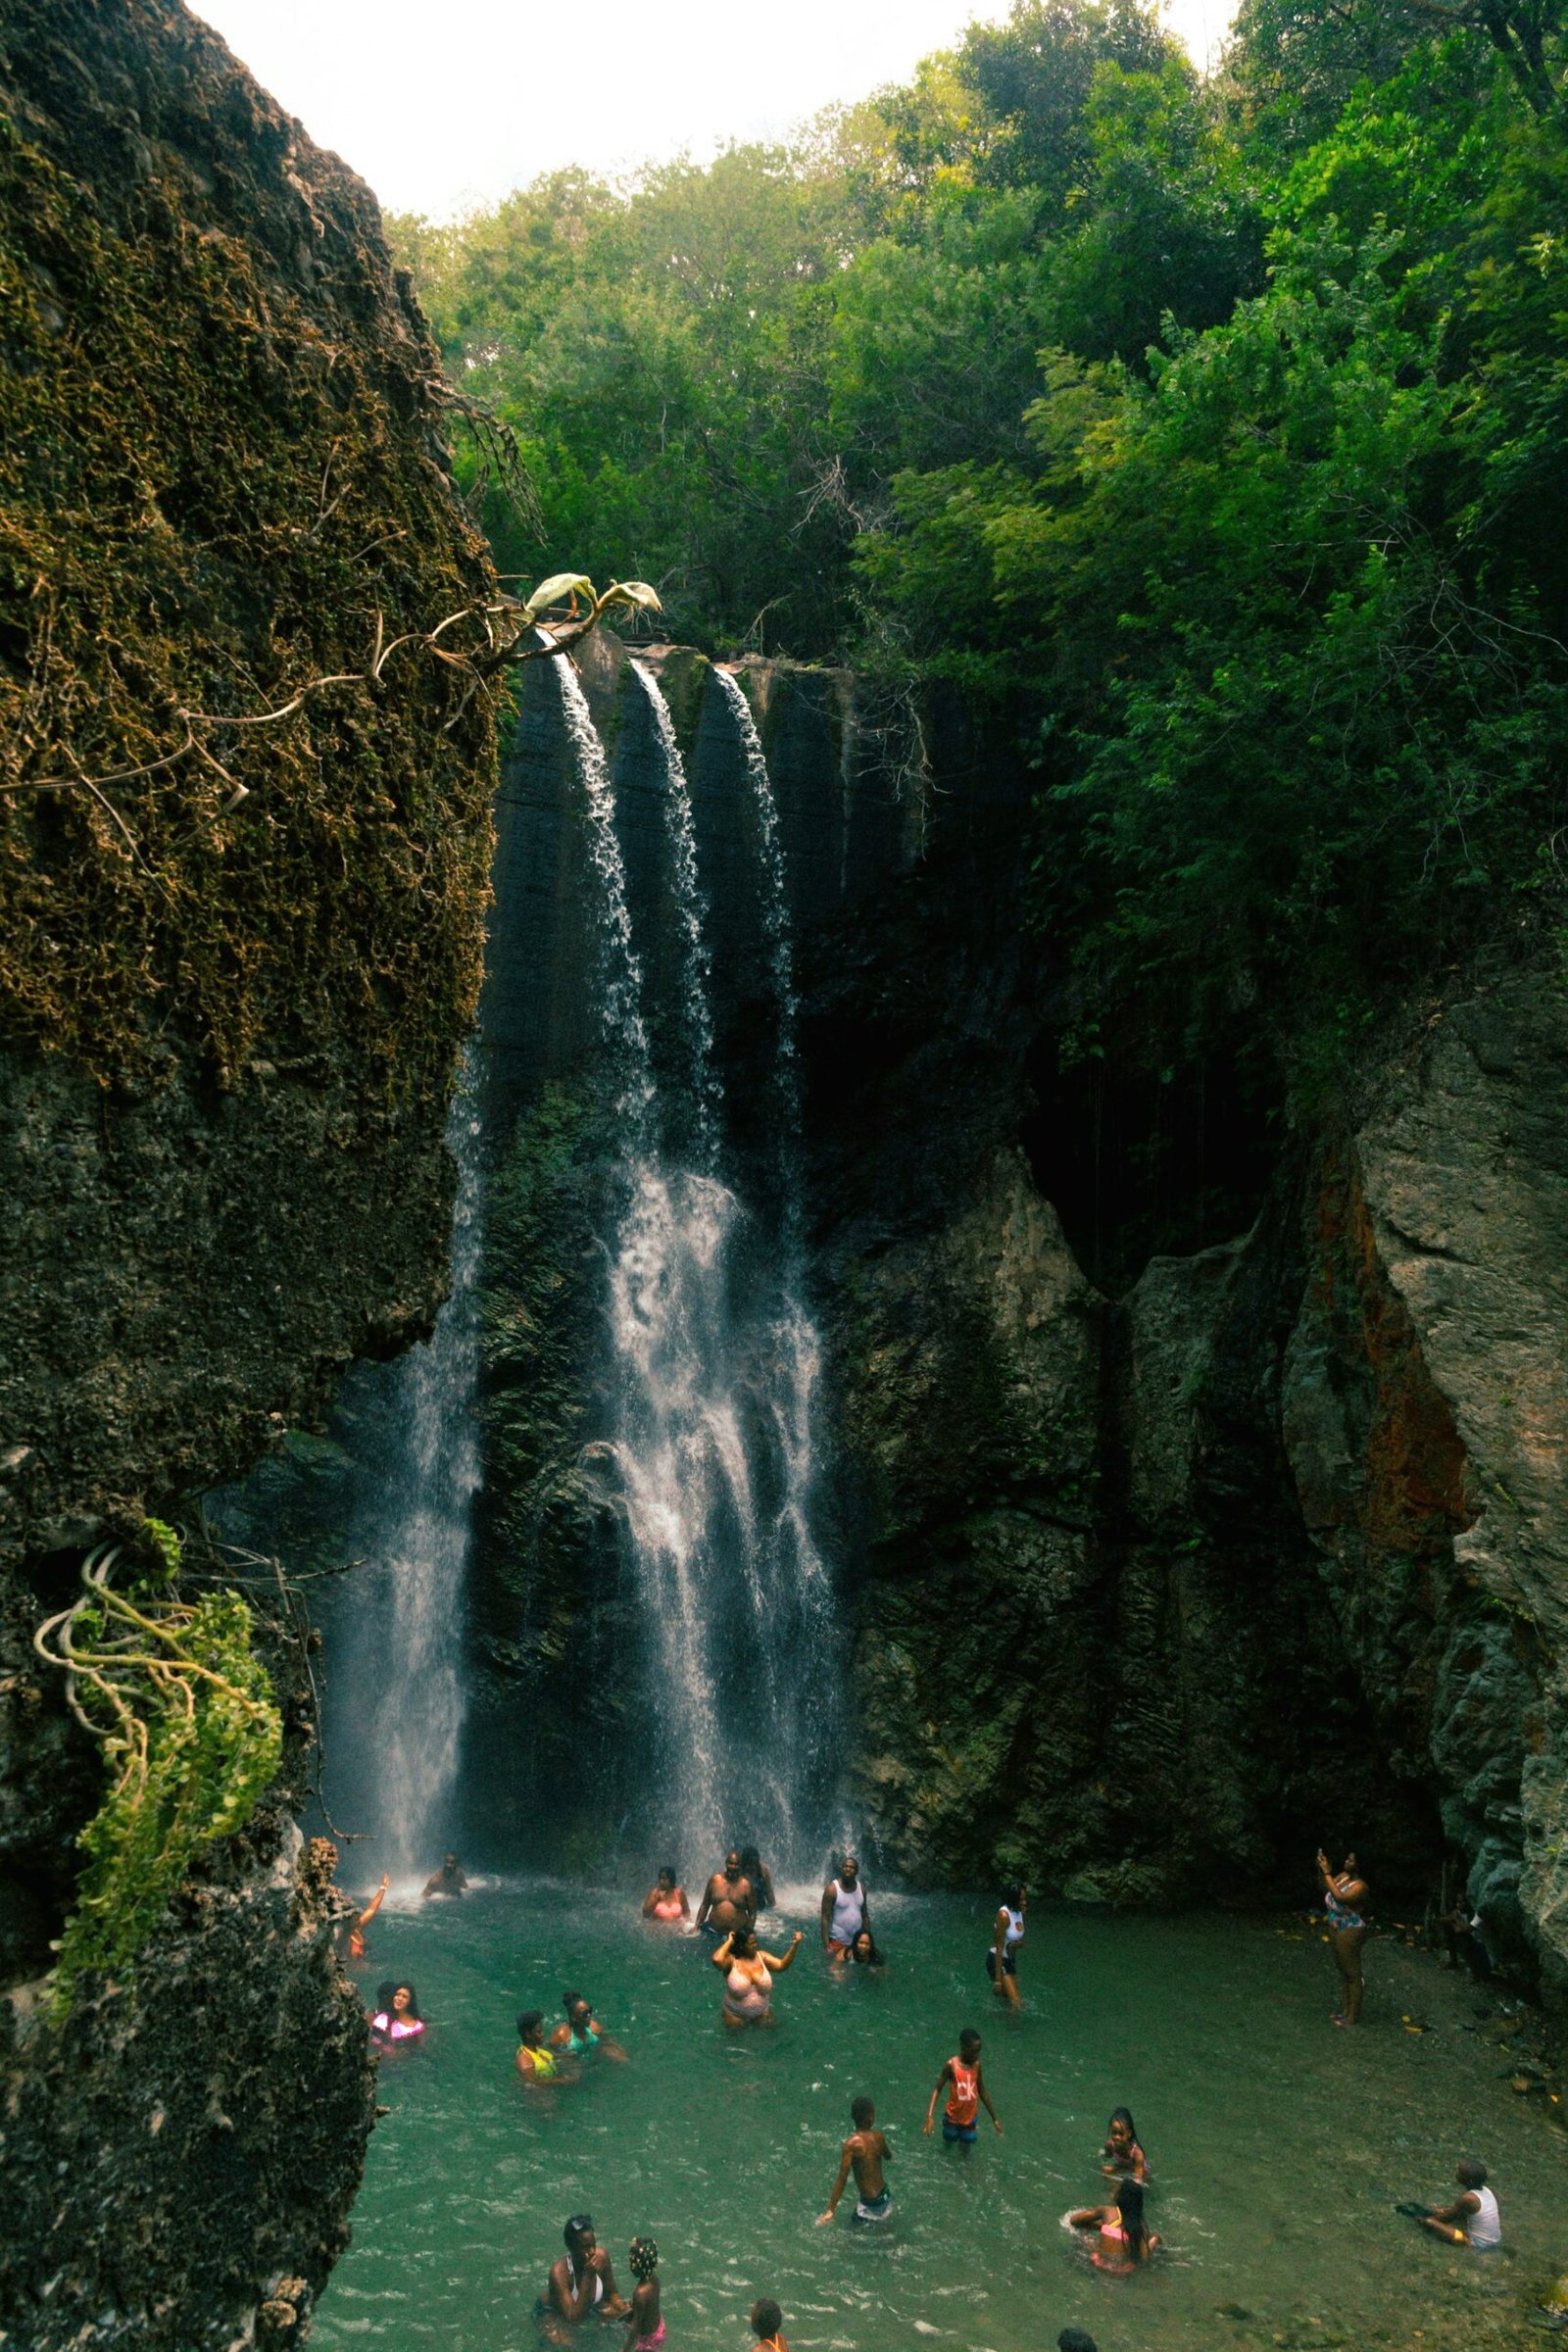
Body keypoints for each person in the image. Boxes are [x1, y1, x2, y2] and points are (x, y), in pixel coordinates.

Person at [543, 2214, 628, 2340]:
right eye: (585, 2247)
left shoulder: (602, 2257)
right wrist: (588, 2276)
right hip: (554, 2313)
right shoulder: (559, 2273)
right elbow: (573, 2319)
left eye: (593, 2244)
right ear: (571, 2247)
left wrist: (623, 2310)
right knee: (562, 2343)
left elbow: (612, 2294)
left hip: (590, 2310)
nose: (592, 2251)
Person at [816, 2093, 893, 2225]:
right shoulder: (879, 2137)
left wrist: (831, 2209)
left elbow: (842, 2178)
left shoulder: (851, 2145)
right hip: (884, 2197)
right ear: (871, 2118)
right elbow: (888, 2156)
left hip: (869, 2204)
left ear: (852, 2117)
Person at [1316, 1847, 1369, 2025]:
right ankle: (1345, 2011)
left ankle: (1353, 2016)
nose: (1347, 1862)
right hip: (1336, 1927)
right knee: (1343, 1971)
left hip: (1350, 1929)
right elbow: (1326, 1887)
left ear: (1360, 1865)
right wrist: (1322, 1869)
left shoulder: (1360, 1886)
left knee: (1353, 1973)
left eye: (1351, 1860)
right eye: (1347, 1859)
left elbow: (1340, 1897)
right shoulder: (1343, 1876)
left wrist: (1327, 1872)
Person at [713, 1923, 804, 2025]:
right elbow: (716, 1960)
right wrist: (729, 1941)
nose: (755, 1945)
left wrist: (794, 1945)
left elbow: (782, 1966)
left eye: (755, 1942)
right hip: (734, 2015)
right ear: (742, 1946)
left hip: (762, 2012)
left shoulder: (762, 1957)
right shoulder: (731, 1961)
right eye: (751, 1943)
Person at [924, 2028, 1002, 2143]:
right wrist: (929, 2116)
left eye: (978, 2051)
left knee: (968, 2143)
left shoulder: (977, 2065)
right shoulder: (951, 2065)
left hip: (969, 2120)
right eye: (974, 2051)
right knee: (949, 2141)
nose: (976, 2055)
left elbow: (982, 2091)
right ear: (963, 2048)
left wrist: (995, 2119)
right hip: (952, 2118)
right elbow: (938, 2088)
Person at [1068, 2177, 1159, 2272]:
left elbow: (1074, 2220)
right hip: (1124, 2271)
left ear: (1120, 2196)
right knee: (1156, 2237)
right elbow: (1144, 2258)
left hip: (1099, 2264)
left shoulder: (1107, 2211)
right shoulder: (1140, 2225)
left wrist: (1101, 2227)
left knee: (1085, 2237)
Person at [1417, 2158, 1502, 2247]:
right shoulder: (1487, 2191)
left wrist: (1425, 2220)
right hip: (1496, 2240)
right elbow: (1459, 2211)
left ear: (1467, 2179)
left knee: (1430, 2222)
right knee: (1453, 2213)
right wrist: (1442, 2210)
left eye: (1459, 2171)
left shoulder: (1468, 2198)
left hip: (1479, 2244)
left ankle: (1465, 2241)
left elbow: (1448, 2218)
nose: (1456, 2172)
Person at [551, 1989, 628, 2062]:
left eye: (589, 2011)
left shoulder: (594, 2027)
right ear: (573, 2017)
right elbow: (552, 2056)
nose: (589, 2015)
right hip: (574, 2061)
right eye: (585, 2014)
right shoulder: (561, 2035)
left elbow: (608, 2041)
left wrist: (620, 2052)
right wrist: (565, 2056)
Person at [695, 1851, 756, 1936]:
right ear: (726, 1863)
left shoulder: (746, 1885)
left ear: (740, 1866)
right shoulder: (715, 1881)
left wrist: (748, 1933)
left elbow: (752, 1913)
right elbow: (705, 1905)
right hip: (712, 1932)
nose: (733, 1867)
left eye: (736, 1864)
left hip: (737, 1935)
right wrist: (696, 1927)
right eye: (731, 1863)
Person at [821, 1854, 870, 1958]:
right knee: (838, 1972)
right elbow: (825, 1918)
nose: (848, 1869)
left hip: (858, 1944)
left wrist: (868, 1940)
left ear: (856, 1871)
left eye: (851, 1867)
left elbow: (865, 1916)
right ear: (841, 1868)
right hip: (837, 1942)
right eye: (845, 1866)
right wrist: (827, 1946)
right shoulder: (832, 1890)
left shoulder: (861, 1888)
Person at [988, 1883, 1026, 2005]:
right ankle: (1012, 2023)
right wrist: (998, 1980)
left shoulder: (1020, 1912)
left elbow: (1018, 1940)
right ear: (1013, 1900)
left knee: (1009, 2001)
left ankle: (999, 2021)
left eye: (1025, 1899)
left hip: (1009, 1960)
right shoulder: (1003, 1915)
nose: (1024, 1902)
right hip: (997, 1960)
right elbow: (999, 1947)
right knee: (1016, 2002)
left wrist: (1018, 1944)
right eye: (1021, 1900)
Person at [623, 2236, 663, 2350]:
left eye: (631, 2261)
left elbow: (635, 2327)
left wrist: (625, 2349)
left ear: (636, 2265)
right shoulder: (654, 2278)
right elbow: (650, 2304)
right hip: (659, 2328)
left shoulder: (639, 2293)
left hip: (648, 2340)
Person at [346, 1872, 389, 1961]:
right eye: (355, 1917)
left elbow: (372, 1909)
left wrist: (383, 1887)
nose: (358, 1919)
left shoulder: (357, 1928)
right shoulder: (343, 1936)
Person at [517, 2008, 566, 2083]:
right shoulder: (525, 2060)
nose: (542, 2035)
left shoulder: (538, 2050)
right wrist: (561, 2081)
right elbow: (532, 2084)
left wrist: (567, 2055)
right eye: (539, 2032)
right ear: (528, 2034)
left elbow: (552, 2057)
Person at [369, 1980, 424, 2045]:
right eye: (397, 1994)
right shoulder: (381, 2021)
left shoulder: (418, 2025)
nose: (399, 1998)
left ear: (410, 2001)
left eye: (404, 1996)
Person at [1101, 2107, 1148, 2181]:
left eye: (1121, 2134)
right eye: (1114, 2133)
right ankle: (1113, 2187)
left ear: (1129, 2133)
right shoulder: (1110, 2145)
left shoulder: (1137, 2154)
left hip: (1139, 2172)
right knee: (1105, 2170)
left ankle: (1115, 2191)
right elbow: (1106, 2159)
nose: (1117, 2137)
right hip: (1122, 2167)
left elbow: (1138, 2178)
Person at [738, 1844, 776, 1911]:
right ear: (744, 1863)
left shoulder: (763, 1871)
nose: (752, 1867)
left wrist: (773, 1907)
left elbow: (769, 1893)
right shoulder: (739, 1873)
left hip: (760, 1905)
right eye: (749, 1864)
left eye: (755, 1863)